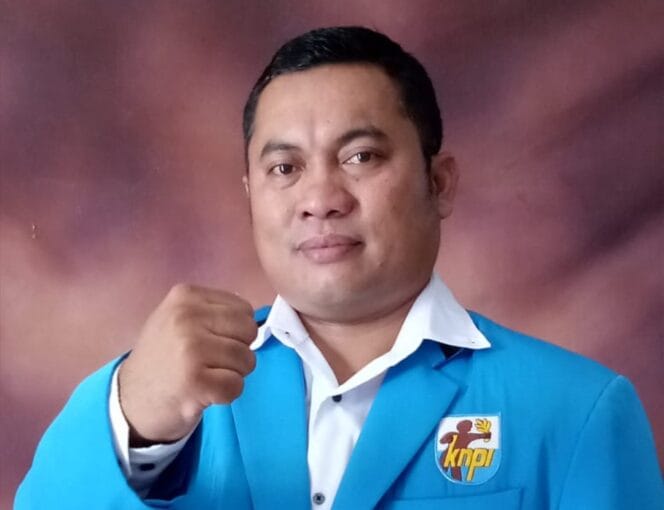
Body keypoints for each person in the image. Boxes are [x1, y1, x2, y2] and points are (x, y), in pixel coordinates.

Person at [15, 26, 662, 510]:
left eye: (360, 157)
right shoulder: (157, 398)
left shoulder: (578, 411)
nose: (320, 198)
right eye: (285, 168)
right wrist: (134, 423)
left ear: (439, 182)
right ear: (251, 195)